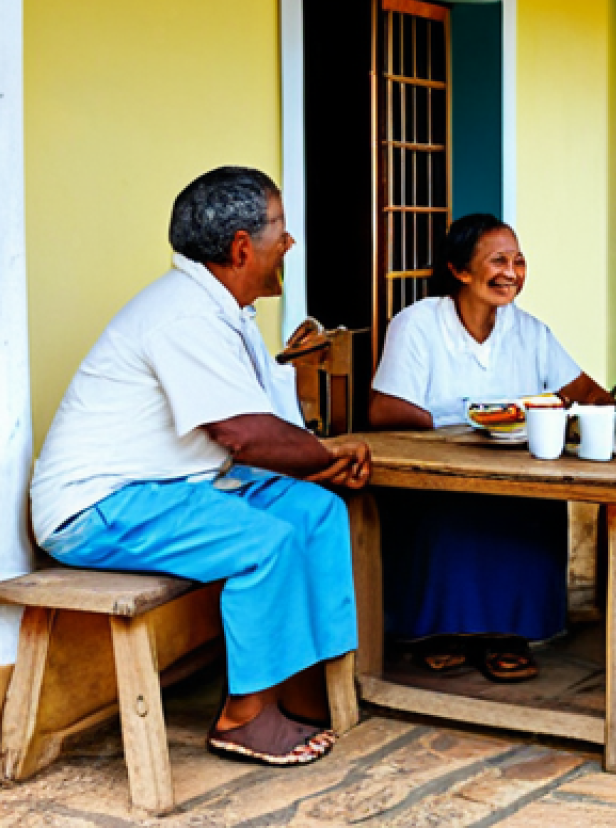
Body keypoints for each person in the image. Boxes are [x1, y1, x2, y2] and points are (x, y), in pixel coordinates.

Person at [30, 167, 371, 767]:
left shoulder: (224, 310)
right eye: (281, 231)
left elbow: (261, 427)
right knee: (264, 542)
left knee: (314, 510)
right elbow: (241, 434)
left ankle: (302, 686)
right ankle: (244, 716)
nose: (288, 244)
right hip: (99, 506)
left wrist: (319, 468)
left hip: (174, 490)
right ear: (243, 245)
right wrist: (326, 455)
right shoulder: (184, 313)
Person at [369, 212, 613, 681]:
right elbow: (385, 410)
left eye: (519, 261)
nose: (512, 273)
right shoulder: (418, 324)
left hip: (516, 472)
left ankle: (509, 632)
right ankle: (439, 631)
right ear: (460, 270)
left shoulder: (529, 330)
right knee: (445, 512)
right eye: (498, 260)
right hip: (438, 472)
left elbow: (587, 392)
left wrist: (594, 412)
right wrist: (472, 414)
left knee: (526, 506)